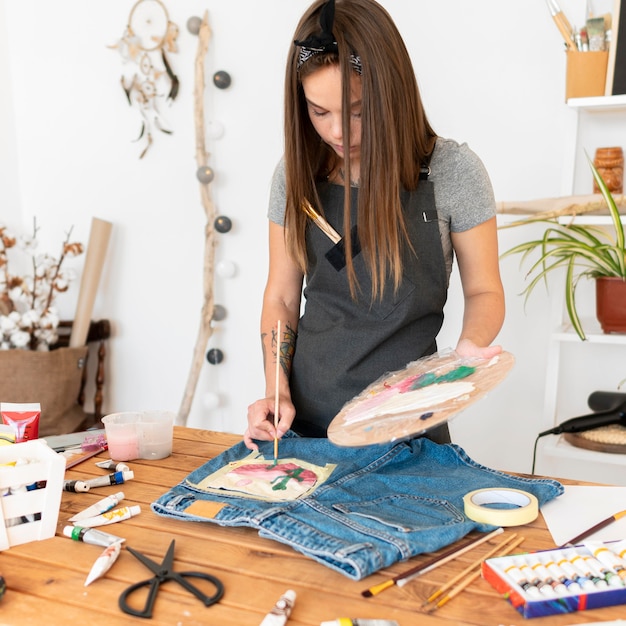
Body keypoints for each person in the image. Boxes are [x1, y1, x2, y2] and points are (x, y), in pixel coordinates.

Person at [245, 0, 504, 449]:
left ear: (392, 91)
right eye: (319, 112)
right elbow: (282, 296)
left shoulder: (453, 171)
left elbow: (485, 290)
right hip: (307, 431)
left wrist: (466, 353)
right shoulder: (295, 174)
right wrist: (275, 387)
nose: (337, 132)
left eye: (358, 111)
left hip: (409, 428)